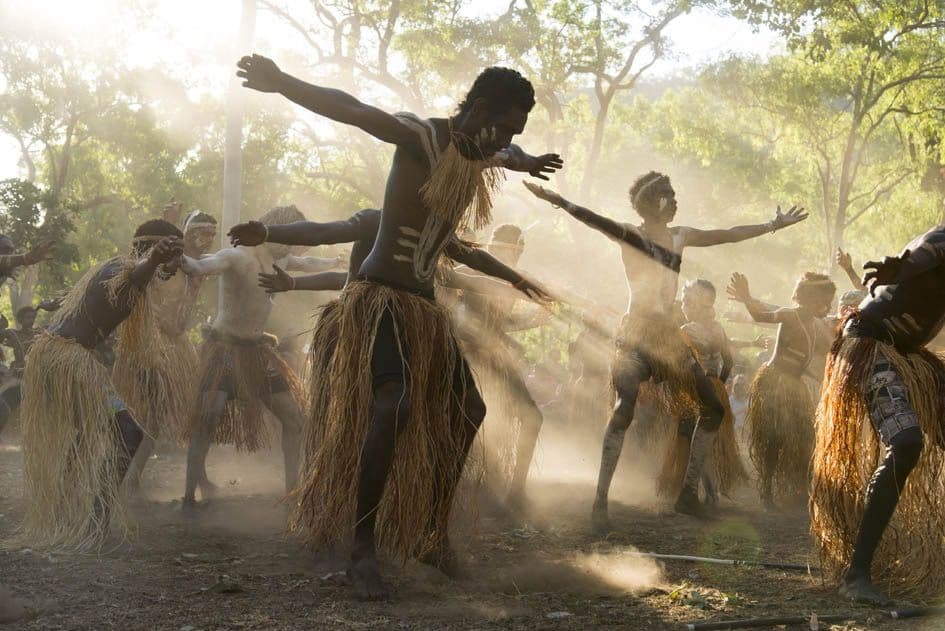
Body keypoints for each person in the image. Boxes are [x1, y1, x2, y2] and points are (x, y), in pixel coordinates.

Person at [234, 53, 561, 599]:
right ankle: (363, 551)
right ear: (479, 109)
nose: (504, 141)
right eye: (502, 126)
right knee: (394, 404)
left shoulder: (479, 151)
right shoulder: (421, 137)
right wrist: (283, 82)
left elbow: (509, 155)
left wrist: (525, 163)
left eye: (514, 133)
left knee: (468, 411)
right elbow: (353, 109)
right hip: (380, 299)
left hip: (424, 310)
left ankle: (432, 535)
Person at [523, 175, 808, 524]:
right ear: (650, 201)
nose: (674, 201)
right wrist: (559, 200)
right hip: (637, 334)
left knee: (714, 409)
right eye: (667, 196)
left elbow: (726, 234)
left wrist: (772, 225)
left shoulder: (680, 236)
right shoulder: (631, 234)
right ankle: (600, 501)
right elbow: (593, 219)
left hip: (671, 339)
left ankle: (687, 496)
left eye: (674, 195)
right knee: (624, 408)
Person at [19, 221, 182, 549]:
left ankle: (64, 509)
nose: (177, 265)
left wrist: (156, 254)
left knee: (89, 430)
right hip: (69, 359)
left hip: (55, 356)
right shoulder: (129, 270)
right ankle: (97, 518)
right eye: (174, 256)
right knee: (129, 431)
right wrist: (154, 259)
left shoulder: (112, 266)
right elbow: (139, 271)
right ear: (151, 249)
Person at [811, 227, 945, 604]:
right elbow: (922, 256)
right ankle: (856, 575)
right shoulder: (939, 240)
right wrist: (897, 268)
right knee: (906, 442)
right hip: (871, 344)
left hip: (908, 356)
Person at [179, 205, 329, 508]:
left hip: (257, 352)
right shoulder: (237, 256)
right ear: (277, 233)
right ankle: (188, 497)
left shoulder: (282, 259)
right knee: (209, 414)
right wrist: (178, 254)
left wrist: (339, 260)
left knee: (293, 417)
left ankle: (293, 492)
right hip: (223, 350)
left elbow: (307, 261)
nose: (296, 245)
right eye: (293, 236)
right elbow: (201, 267)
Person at [120, 210, 218, 493]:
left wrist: (195, 286)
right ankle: (128, 481)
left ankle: (138, 479)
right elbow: (147, 302)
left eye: (212, 233)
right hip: (147, 349)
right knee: (147, 419)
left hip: (173, 347)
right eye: (202, 232)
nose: (208, 238)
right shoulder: (152, 265)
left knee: (164, 419)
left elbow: (181, 322)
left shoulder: (189, 270)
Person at [455, 223, 549, 511]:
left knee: (532, 417)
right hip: (465, 356)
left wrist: (532, 321)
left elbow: (501, 325)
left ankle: (516, 491)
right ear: (491, 247)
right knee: (461, 416)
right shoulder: (469, 272)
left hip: (496, 356)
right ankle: (453, 485)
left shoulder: (515, 281)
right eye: (501, 248)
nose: (510, 255)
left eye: (515, 251)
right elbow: (446, 303)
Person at [727, 272, 835, 510]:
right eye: (822, 302)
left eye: (828, 302)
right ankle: (766, 492)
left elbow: (816, 355)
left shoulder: (816, 326)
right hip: (774, 383)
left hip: (795, 386)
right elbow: (760, 315)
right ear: (808, 298)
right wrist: (746, 298)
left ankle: (799, 489)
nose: (826, 307)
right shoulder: (789, 315)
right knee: (774, 437)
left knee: (805, 436)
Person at [658, 279, 747, 506]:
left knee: (689, 439)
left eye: (687, 301)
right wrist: (719, 384)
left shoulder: (686, 331)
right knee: (708, 441)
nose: (684, 306)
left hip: (694, 391)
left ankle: (695, 493)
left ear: (697, 304)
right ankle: (710, 494)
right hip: (715, 388)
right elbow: (728, 361)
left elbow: (676, 366)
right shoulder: (718, 328)